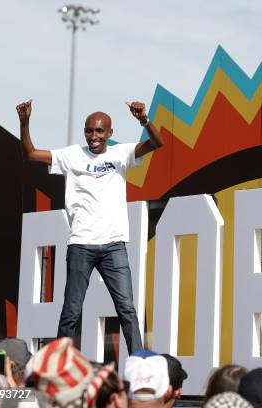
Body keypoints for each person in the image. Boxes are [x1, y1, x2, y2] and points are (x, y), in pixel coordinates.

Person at [16, 99, 164, 353]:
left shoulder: (121, 154)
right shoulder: (71, 155)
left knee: (127, 309)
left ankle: (141, 364)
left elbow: (157, 143)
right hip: (81, 244)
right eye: (89, 130)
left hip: (113, 246)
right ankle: (60, 366)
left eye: (99, 131)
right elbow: (30, 154)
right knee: (71, 311)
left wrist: (144, 120)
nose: (93, 136)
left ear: (109, 133)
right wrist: (25, 121)